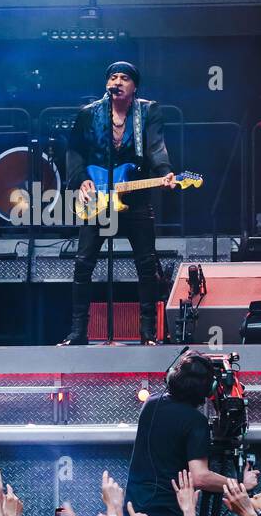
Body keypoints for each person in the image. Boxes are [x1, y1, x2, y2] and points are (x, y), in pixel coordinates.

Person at [60, 61, 176, 346]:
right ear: (107, 84)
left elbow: (156, 147)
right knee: (83, 263)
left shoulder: (148, 111)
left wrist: (165, 172)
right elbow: (75, 152)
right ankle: (78, 333)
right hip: (97, 198)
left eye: (125, 78)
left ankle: (147, 332)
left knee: (147, 264)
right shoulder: (88, 114)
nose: (119, 81)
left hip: (135, 198)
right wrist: (81, 181)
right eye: (114, 77)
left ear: (135, 86)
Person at [123, 350, 258, 516]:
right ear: (208, 390)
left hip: (133, 509)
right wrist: (241, 484)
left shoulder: (151, 403)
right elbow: (200, 477)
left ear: (172, 376)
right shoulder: (196, 422)